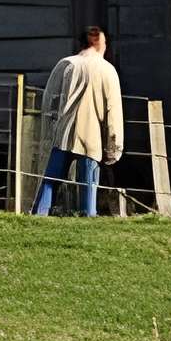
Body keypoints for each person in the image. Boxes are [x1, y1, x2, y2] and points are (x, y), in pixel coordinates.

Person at [33, 27, 122, 216]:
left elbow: (51, 101)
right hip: (92, 140)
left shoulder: (65, 65)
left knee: (50, 182)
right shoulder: (108, 70)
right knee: (89, 186)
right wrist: (114, 148)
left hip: (63, 134)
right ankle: (87, 218)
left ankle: (38, 216)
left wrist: (52, 132)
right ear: (98, 44)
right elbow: (113, 114)